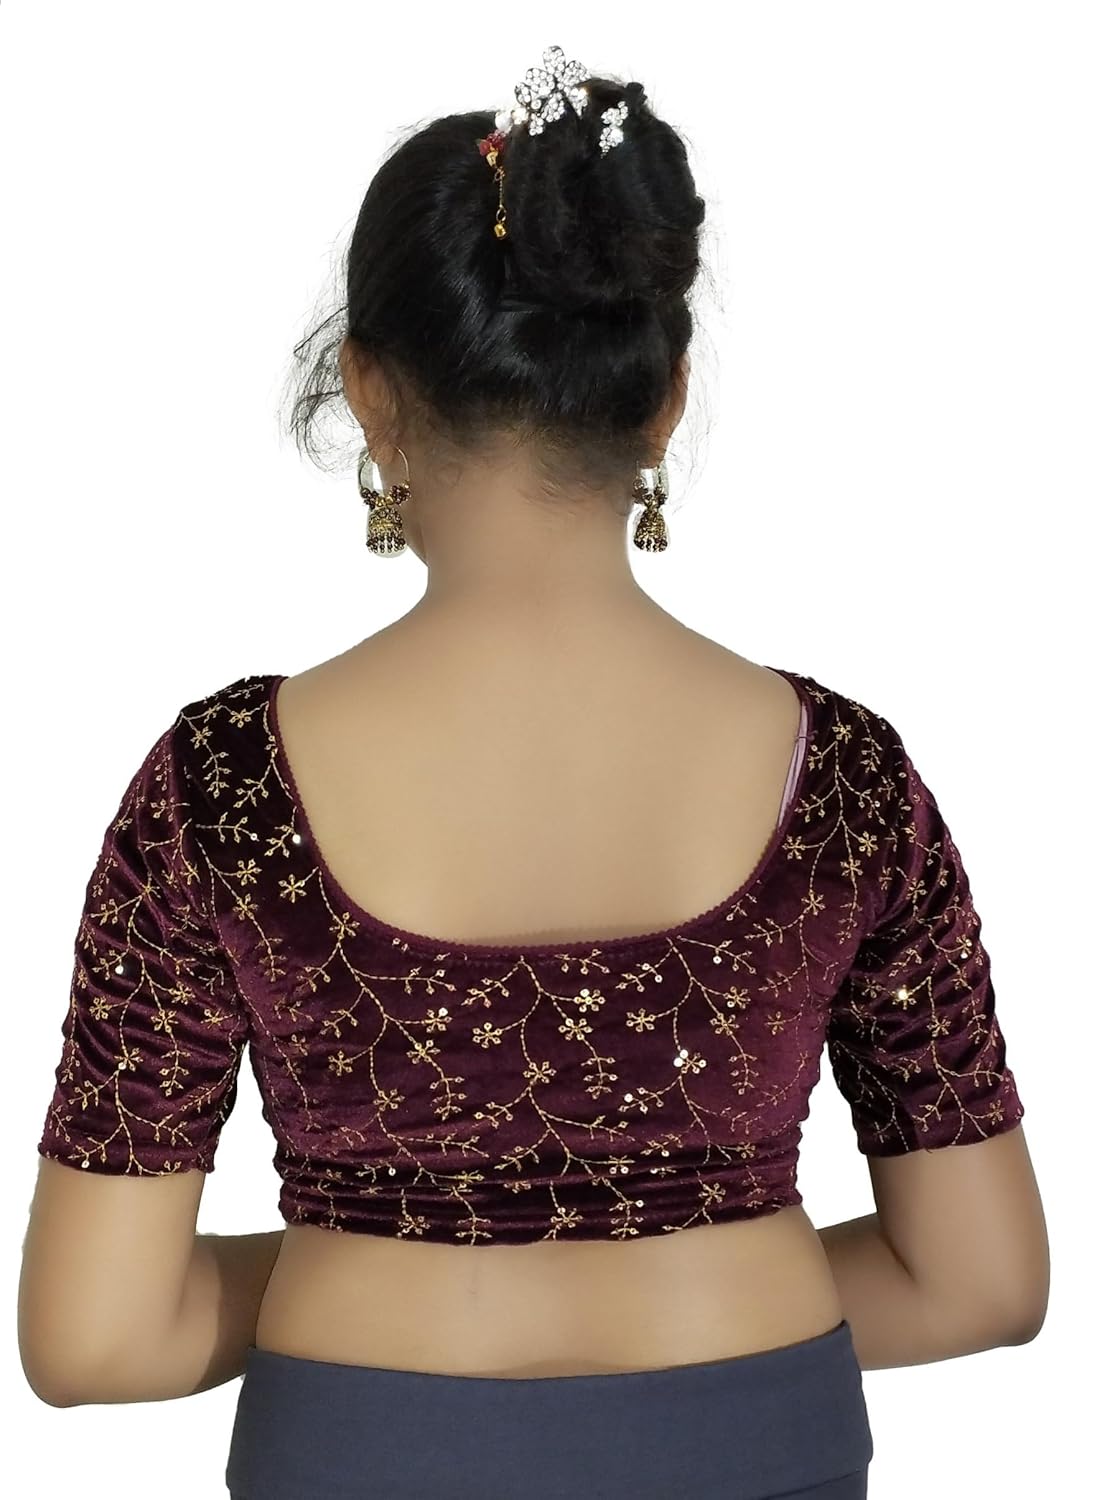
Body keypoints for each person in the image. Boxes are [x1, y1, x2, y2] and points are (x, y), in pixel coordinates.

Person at [19, 43, 1047, 1500]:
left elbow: (98, 1341)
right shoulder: (843, 780)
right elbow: (980, 1284)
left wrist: (355, 1247)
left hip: (365, 1446)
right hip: (757, 1442)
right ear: (664, 396)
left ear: (369, 392)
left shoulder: (221, 788)